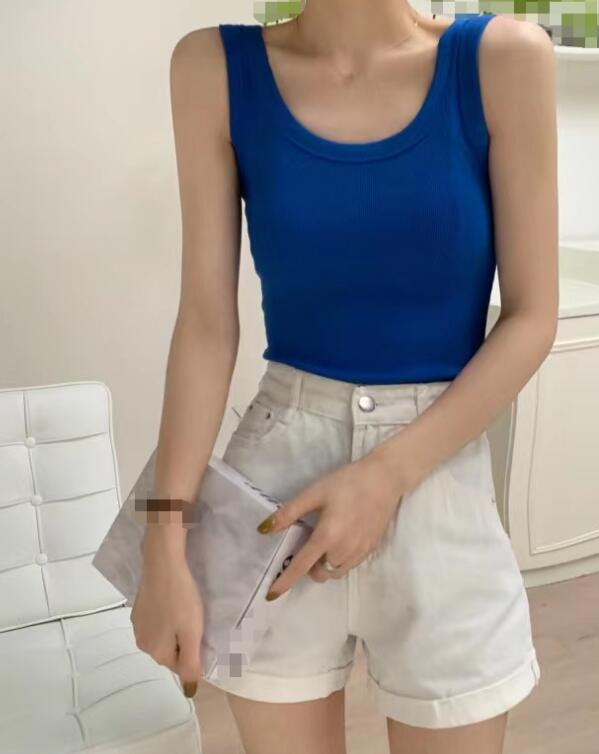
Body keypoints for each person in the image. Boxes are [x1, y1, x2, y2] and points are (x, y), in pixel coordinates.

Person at [130, 3, 558, 753]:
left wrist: (386, 475)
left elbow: (532, 317)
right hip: (274, 488)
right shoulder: (211, 67)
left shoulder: (504, 59)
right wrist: (162, 543)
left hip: (439, 483)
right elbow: (205, 325)